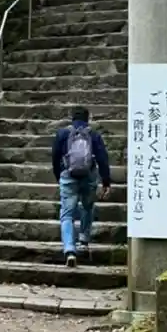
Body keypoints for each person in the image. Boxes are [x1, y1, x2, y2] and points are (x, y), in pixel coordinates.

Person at [52, 106, 111, 267]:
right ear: (87, 118)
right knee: (87, 207)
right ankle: (84, 241)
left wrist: (59, 175)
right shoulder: (93, 135)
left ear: (72, 118)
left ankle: (69, 250)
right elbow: (102, 158)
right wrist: (106, 181)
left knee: (67, 214)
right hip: (89, 177)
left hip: (68, 176)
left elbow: (55, 156)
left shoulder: (63, 134)